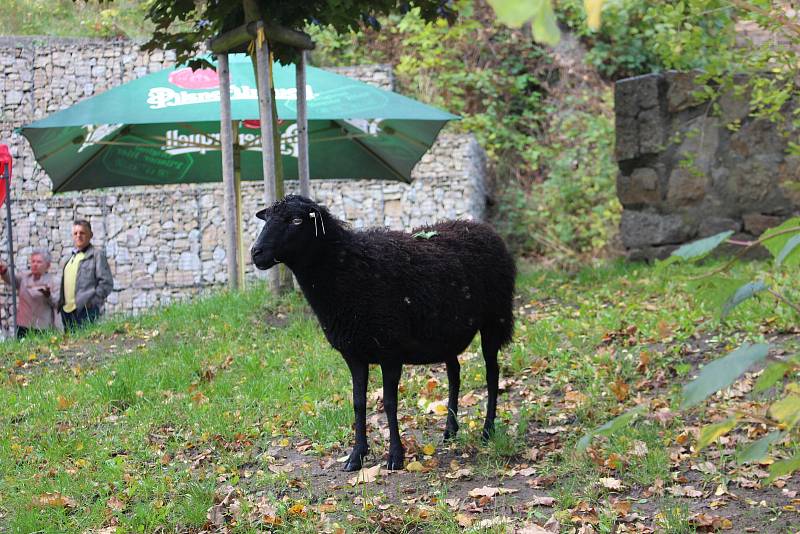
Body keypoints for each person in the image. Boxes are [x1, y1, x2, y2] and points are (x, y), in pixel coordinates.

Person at [58, 220, 114, 332]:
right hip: (67, 312)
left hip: (86, 310)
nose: (78, 236)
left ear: (90, 235)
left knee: (86, 346)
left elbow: (106, 282)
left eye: (82, 233)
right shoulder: (69, 259)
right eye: (75, 233)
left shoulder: (96, 255)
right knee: (70, 348)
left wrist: (92, 302)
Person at [0, 249, 59, 338]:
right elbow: (11, 279)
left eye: (39, 262)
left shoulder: (53, 281)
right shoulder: (24, 277)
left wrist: (48, 295)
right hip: (23, 325)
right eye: (33, 261)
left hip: (42, 327)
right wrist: (4, 271)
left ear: (48, 265)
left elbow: (57, 303)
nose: (35, 264)